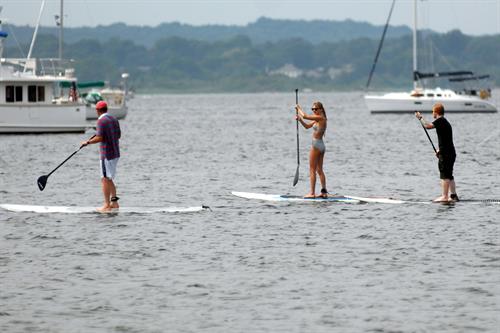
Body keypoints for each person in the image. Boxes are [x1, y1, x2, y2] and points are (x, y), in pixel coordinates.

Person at [81, 101, 121, 211]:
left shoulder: (101, 121)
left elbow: (99, 138)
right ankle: (115, 203)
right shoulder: (114, 119)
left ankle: (107, 205)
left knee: (104, 179)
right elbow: (119, 135)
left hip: (106, 154)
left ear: (98, 111)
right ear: (106, 109)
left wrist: (87, 142)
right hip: (115, 153)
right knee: (109, 178)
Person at [415, 103, 459, 202]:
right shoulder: (445, 122)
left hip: (447, 154)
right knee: (449, 174)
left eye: (433, 112)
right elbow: (446, 140)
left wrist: (420, 118)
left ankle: (444, 196)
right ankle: (453, 196)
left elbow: (427, 126)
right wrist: (440, 150)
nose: (432, 114)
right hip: (450, 152)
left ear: (436, 112)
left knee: (444, 175)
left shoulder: (440, 121)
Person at [296, 101, 328, 198]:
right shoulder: (317, 119)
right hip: (321, 145)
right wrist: (300, 120)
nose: (314, 111)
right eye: (312, 109)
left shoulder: (320, 117)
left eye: (315, 109)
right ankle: (324, 192)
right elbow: (307, 127)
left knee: (312, 169)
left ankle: (312, 193)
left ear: (321, 109)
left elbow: (305, 116)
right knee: (319, 170)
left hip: (316, 145)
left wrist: (298, 109)